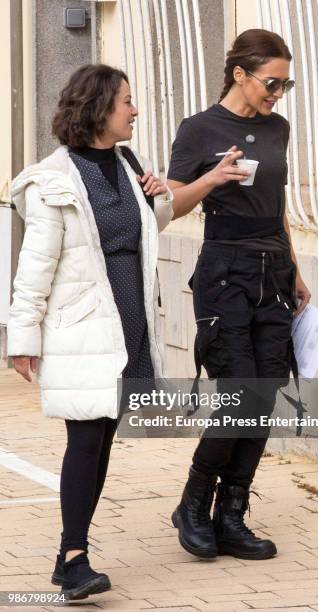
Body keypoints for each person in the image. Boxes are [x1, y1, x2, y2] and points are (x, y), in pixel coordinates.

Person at [7, 64, 173, 599]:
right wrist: (22, 340)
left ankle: (68, 555)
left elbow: (144, 230)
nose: (135, 109)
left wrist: (158, 194)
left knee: (100, 440)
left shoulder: (128, 162)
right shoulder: (53, 179)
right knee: (84, 439)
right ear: (100, 107)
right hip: (81, 326)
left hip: (129, 322)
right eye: (127, 100)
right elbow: (34, 268)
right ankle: (74, 558)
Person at [167, 29, 311, 560]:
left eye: (285, 83)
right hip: (224, 270)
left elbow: (278, 205)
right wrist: (214, 179)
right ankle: (193, 502)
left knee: (265, 394)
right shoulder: (198, 129)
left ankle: (231, 516)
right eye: (272, 82)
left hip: (272, 268)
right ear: (239, 75)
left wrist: (292, 267)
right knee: (239, 393)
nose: (278, 93)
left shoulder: (279, 128)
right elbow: (172, 205)